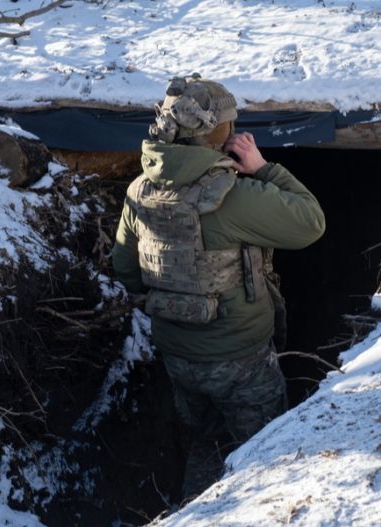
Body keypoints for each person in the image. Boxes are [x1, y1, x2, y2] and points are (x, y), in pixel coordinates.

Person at [111, 74, 325, 500]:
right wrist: (263, 168)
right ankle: (257, 517)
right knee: (264, 452)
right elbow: (310, 223)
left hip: (177, 355)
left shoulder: (140, 190)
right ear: (213, 132)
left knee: (207, 441)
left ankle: (195, 512)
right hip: (242, 359)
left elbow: (127, 273)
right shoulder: (232, 195)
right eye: (228, 124)